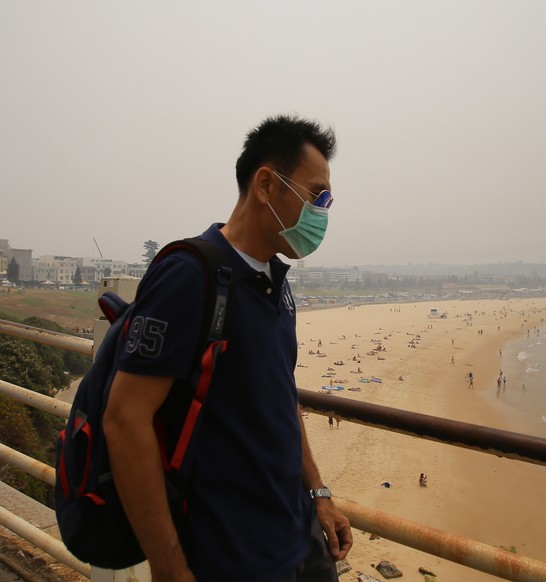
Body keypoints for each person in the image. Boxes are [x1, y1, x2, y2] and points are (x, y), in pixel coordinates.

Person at [103, 115, 352, 582]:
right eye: (317, 195)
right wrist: (169, 565)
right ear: (265, 185)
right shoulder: (189, 275)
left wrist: (319, 494)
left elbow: (281, 397)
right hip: (230, 555)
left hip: (300, 540)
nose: (323, 211)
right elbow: (124, 418)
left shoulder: (276, 284)